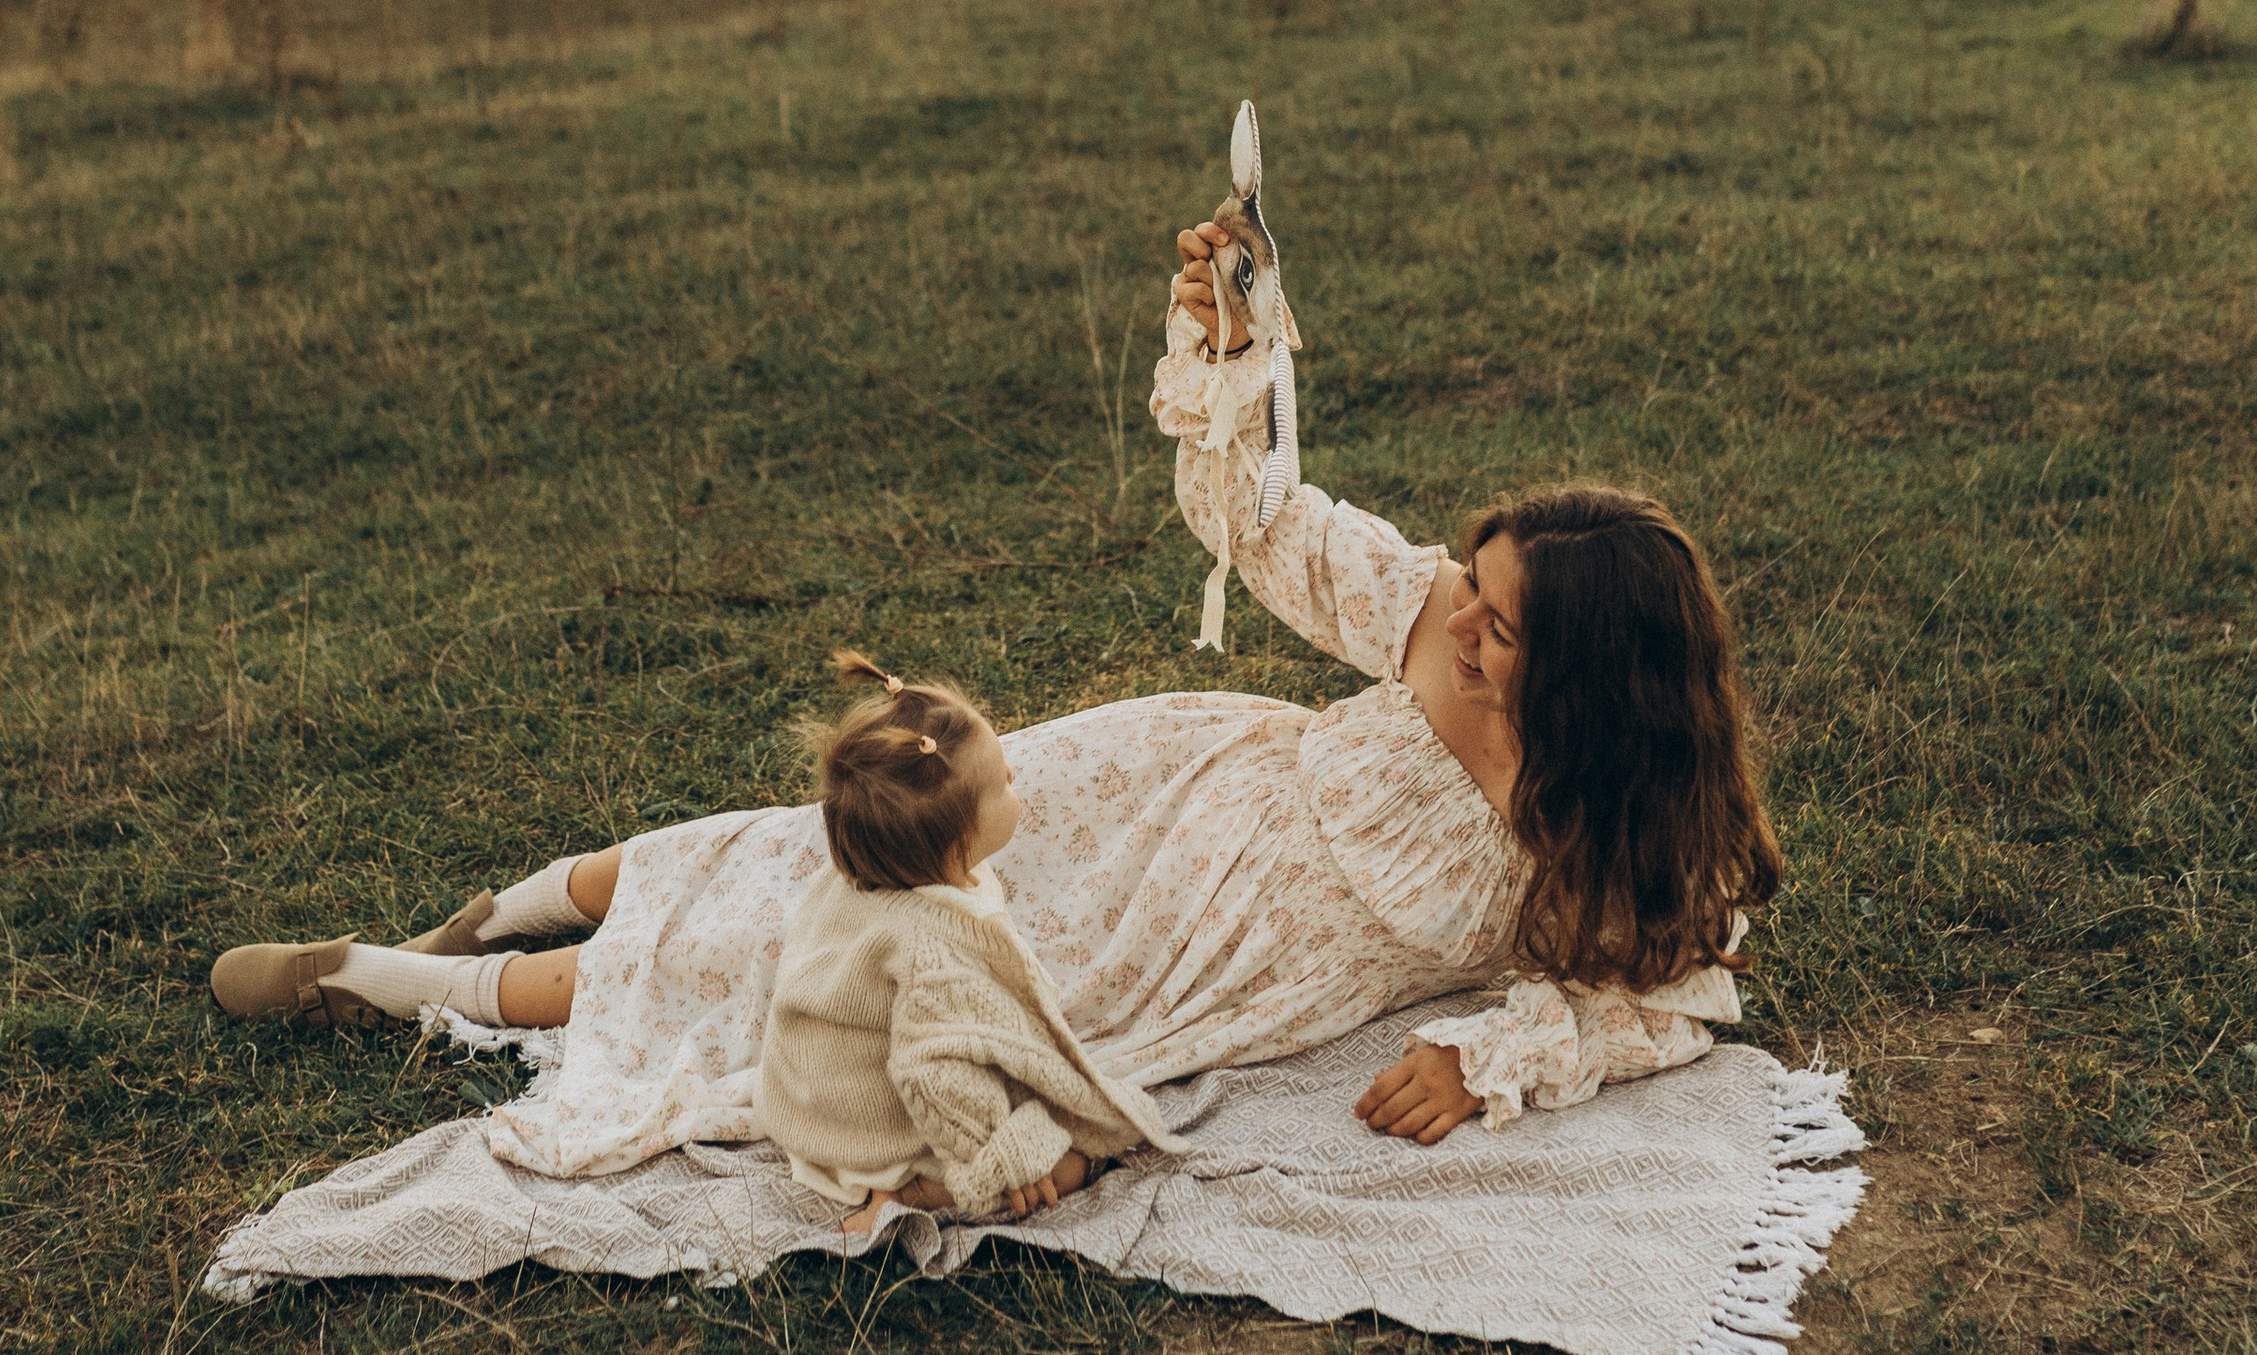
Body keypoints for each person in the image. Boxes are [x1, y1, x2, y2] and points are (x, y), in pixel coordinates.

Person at [208, 204, 1779, 1181]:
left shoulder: (1617, 837)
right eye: (1476, 599)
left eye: (1505, 633)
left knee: (853, 979)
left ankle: (392, 984)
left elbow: (1667, 1000)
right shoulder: (1431, 616)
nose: (1468, 631)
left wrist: (1483, 1062)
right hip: (1170, 785)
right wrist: (1224, 345)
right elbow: (1255, 522)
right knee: (836, 838)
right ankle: (490, 915)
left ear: (1601, 686)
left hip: (1197, 953)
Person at [754, 654, 1178, 1233]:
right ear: (959, 842)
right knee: (1074, 1161)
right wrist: (1000, 1150)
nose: (1013, 780)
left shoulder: (856, 872)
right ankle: (906, 1198)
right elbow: (934, 1070)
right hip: (875, 1135)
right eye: (1001, 781)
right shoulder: (933, 945)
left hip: (807, 1105)